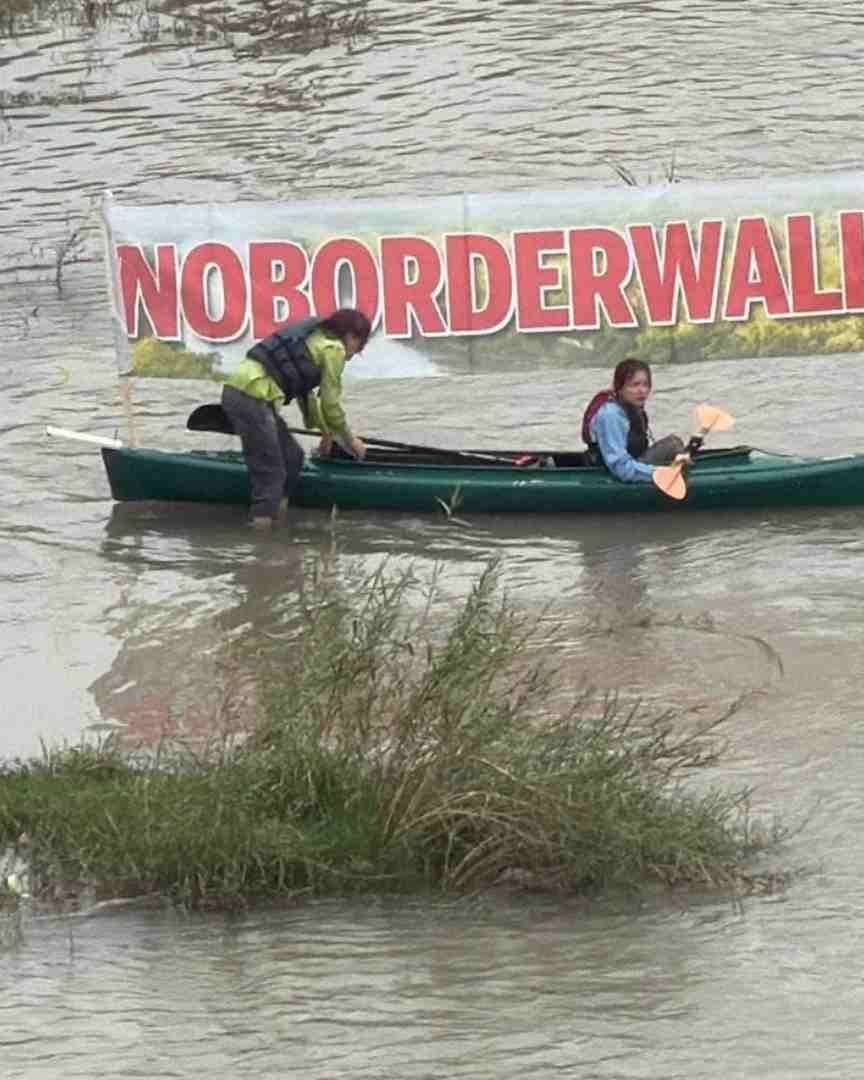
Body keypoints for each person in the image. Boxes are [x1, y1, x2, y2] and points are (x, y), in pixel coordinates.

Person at [221, 308, 372, 527]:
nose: (355, 353)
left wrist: (326, 433)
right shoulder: (334, 350)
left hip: (243, 394)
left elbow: (307, 396)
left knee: (293, 458)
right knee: (272, 474)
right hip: (251, 398)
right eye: (360, 346)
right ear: (351, 336)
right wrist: (351, 440)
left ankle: (278, 522)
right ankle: (261, 542)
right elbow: (330, 405)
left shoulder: (313, 339)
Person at [581, 358, 684, 483]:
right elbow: (620, 468)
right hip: (615, 474)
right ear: (620, 387)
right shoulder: (611, 415)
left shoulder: (632, 407)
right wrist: (659, 473)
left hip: (633, 462)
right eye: (634, 385)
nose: (642, 391)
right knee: (673, 444)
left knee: (674, 445)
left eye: (646, 384)